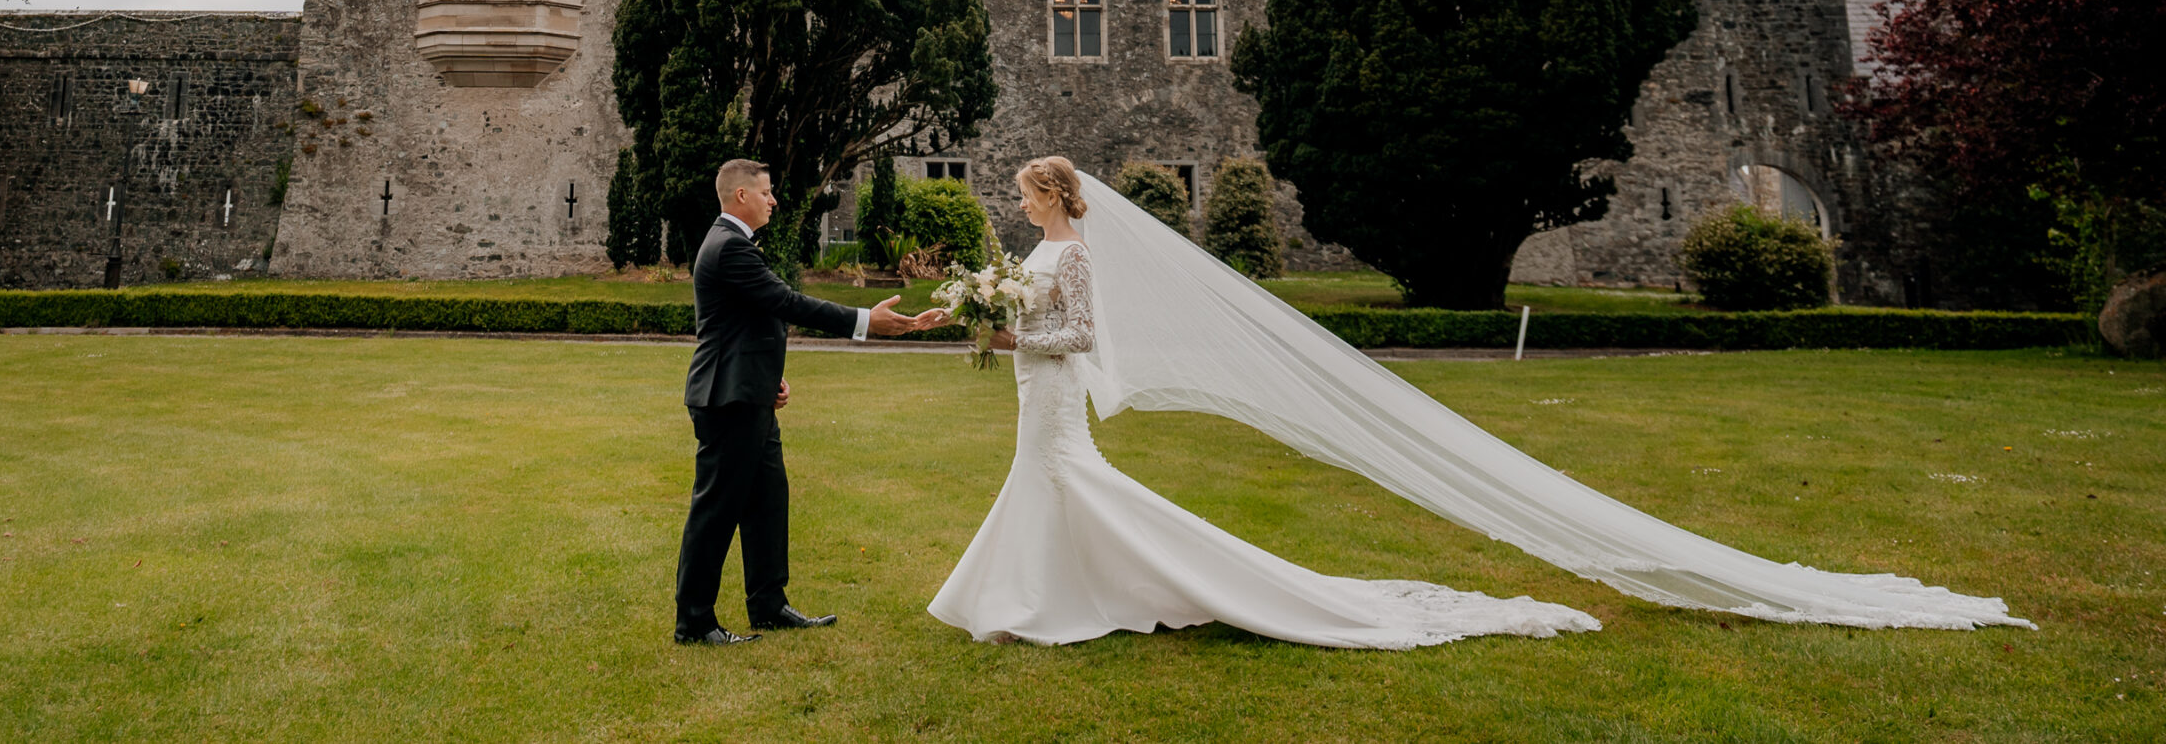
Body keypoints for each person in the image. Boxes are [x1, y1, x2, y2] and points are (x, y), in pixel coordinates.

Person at [930, 159, 2028, 645]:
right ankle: (1049, 597)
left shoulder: (1068, 258)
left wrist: (1010, 324)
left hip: (1050, 388)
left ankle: (1114, 591)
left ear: (1052, 196)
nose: (1015, 202)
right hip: (1039, 394)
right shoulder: (1036, 248)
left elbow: (1079, 329)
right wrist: (997, 311)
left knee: (1074, 482)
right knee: (1060, 486)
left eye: (1024, 191)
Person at [675, 157, 948, 646]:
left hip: (748, 392)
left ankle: (769, 605)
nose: (774, 200)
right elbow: (787, 302)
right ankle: (694, 623)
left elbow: (754, 319)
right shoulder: (729, 247)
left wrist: (768, 378)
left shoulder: (735, 243)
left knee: (766, 503)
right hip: (726, 398)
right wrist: (866, 321)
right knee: (716, 511)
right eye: (767, 192)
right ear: (742, 196)